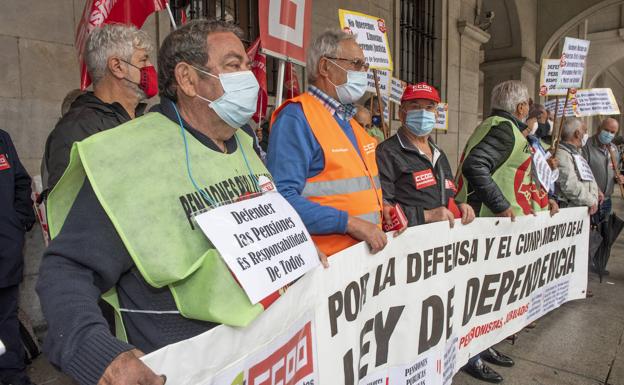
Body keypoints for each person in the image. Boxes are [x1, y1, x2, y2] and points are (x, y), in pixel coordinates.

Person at [37, 20, 312, 385]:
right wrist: (97, 352)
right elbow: (66, 268)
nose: (251, 78)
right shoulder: (130, 157)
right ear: (187, 78)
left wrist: (298, 254)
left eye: (247, 66)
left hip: (270, 358)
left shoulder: (245, 145)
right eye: (233, 66)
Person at [456, 80, 554, 384]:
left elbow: (518, 174)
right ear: (522, 107)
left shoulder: (508, 129)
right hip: (488, 226)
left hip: (496, 229)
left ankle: (484, 346)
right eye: (529, 106)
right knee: (480, 296)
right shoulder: (503, 128)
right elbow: (476, 166)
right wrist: (500, 206)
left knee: (491, 296)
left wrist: (544, 198)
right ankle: (471, 355)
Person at [267, 29, 387, 257]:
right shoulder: (297, 117)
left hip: (360, 264)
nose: (363, 72)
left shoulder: (350, 123)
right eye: (356, 63)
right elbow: (281, 198)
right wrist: (350, 223)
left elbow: (356, 189)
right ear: (324, 67)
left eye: (365, 66)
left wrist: (382, 210)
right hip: (325, 266)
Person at [42, 24, 156, 192]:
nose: (151, 66)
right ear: (117, 67)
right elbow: (69, 206)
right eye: (143, 59)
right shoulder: (76, 129)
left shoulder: (144, 119)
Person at [376, 82, 475, 228]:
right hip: (408, 243)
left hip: (437, 244)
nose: (423, 113)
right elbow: (383, 210)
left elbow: (445, 196)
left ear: (436, 114)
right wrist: (427, 216)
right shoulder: (387, 152)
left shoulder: (439, 154)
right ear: (401, 113)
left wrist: (459, 207)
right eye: (415, 107)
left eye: (429, 107)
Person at [0, 130, 36, 385]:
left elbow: (21, 182)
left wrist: (18, 221)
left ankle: (12, 377)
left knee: (6, 317)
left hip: (5, 251)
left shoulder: (2, 139)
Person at [582, 118, 622, 274]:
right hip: (592, 199)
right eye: (607, 130)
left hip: (607, 199)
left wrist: (618, 178)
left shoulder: (613, 149)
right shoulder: (587, 147)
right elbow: (583, 172)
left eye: (613, 132)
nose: (609, 134)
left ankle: (599, 264)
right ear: (599, 128)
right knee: (590, 233)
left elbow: (614, 170)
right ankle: (585, 265)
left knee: (605, 234)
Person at [555, 118, 600, 213]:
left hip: (582, 210)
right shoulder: (561, 154)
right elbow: (570, 186)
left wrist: (595, 193)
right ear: (577, 134)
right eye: (585, 131)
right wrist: (591, 201)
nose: (586, 134)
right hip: (571, 212)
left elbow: (588, 178)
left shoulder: (577, 153)